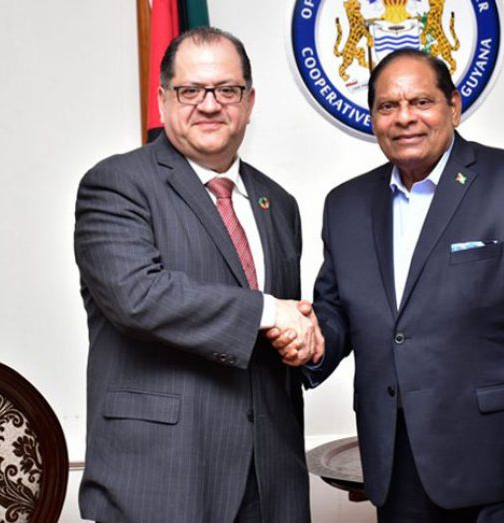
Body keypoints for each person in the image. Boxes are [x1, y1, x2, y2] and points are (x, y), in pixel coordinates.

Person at [270, 49, 504, 522]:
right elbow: (337, 312)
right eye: (387, 106)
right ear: (373, 117)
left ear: (454, 108)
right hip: (397, 476)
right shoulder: (346, 206)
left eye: (421, 102)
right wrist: (309, 340)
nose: (404, 118)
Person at [74, 27, 321, 523]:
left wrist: (303, 342)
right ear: (164, 99)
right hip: (163, 480)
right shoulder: (117, 185)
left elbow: (274, 336)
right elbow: (137, 297)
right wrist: (269, 311)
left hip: (271, 482)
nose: (210, 105)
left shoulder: (279, 203)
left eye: (226, 90)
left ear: (249, 102)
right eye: (191, 90)